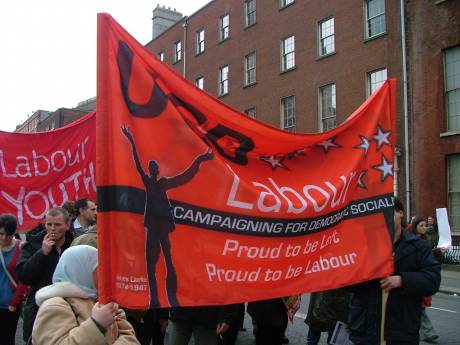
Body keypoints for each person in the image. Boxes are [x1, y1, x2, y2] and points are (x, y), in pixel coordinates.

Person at [121, 125, 214, 307]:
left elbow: (184, 176)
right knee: (151, 263)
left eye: (153, 166)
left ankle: (172, 297)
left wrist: (200, 159)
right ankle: (154, 297)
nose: (151, 167)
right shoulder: (149, 182)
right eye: (151, 166)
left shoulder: (162, 183)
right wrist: (131, 140)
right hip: (153, 227)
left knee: (169, 262)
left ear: (157, 170)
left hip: (162, 227)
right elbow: (138, 164)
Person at [32, 245, 140, 344]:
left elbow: (129, 336)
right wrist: (96, 325)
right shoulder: (54, 306)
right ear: (81, 270)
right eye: (98, 269)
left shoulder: (101, 300)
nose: (104, 275)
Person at [381, 199, 441, 345]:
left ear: (400, 213)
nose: (384, 216)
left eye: (389, 211)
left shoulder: (418, 246)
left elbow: (432, 280)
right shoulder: (366, 247)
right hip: (368, 330)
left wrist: (402, 280)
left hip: (402, 330)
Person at [15, 207, 74, 343]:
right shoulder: (33, 244)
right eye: (49, 224)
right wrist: (42, 253)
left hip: (68, 309)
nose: (53, 228)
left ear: (67, 225)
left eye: (58, 224)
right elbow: (23, 276)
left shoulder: (74, 244)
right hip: (39, 310)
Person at [410, 217, 446, 343]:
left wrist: (438, 251)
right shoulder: (411, 240)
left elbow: (427, 257)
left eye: (425, 225)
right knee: (419, 308)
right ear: (415, 227)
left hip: (421, 277)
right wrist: (436, 251)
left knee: (419, 308)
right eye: (421, 225)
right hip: (414, 277)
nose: (424, 228)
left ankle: (422, 331)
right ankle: (428, 332)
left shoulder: (424, 239)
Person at [0, 214, 29, 345]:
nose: (4, 238)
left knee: (6, 339)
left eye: (8, 234)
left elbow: (24, 279)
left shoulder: (20, 248)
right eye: (0, 234)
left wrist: (14, 302)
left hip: (9, 304)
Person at [168, 304, 237, 345]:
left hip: (208, 315)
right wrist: (163, 314)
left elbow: (229, 285)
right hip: (180, 312)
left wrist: (226, 316)